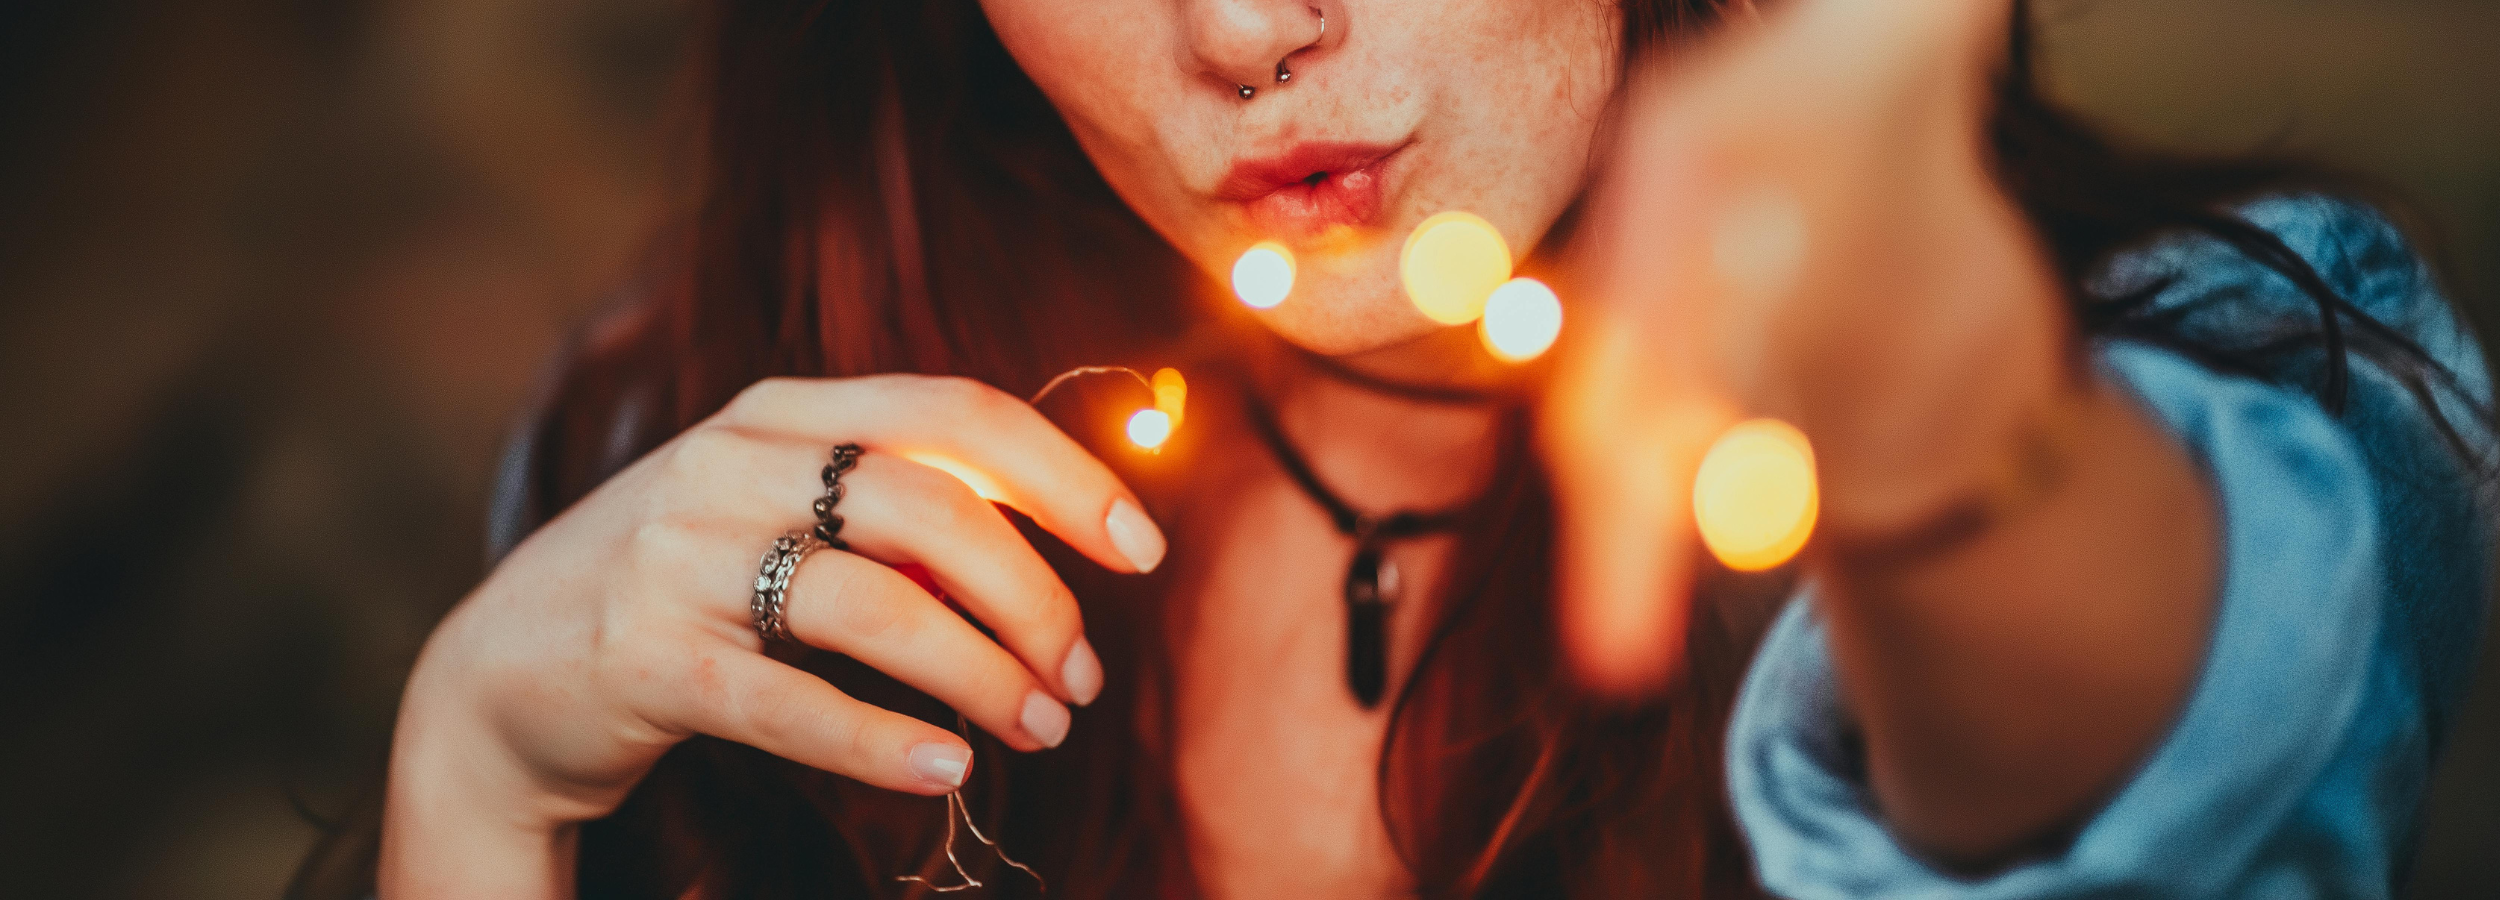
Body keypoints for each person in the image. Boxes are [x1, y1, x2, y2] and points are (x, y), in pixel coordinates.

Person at [296, 0, 2494, 897]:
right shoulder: (710, 443)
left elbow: (2152, 778)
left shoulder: (2245, 358)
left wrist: (1936, 425)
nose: (1247, 28)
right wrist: (472, 790)